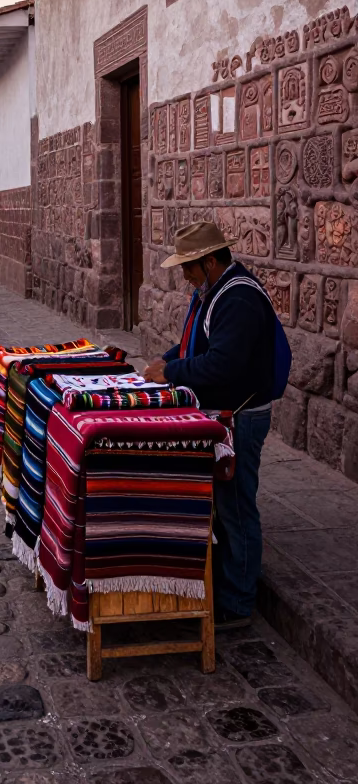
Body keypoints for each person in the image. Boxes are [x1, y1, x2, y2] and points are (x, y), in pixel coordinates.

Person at [144, 220, 287, 632]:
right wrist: (168, 360)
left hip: (242, 417)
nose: (184, 276)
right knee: (225, 504)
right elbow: (198, 346)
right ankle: (227, 582)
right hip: (226, 414)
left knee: (238, 506)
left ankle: (238, 602)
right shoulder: (214, 294)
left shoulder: (237, 299)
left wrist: (172, 372)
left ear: (208, 261)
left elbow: (224, 363)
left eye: (188, 267)